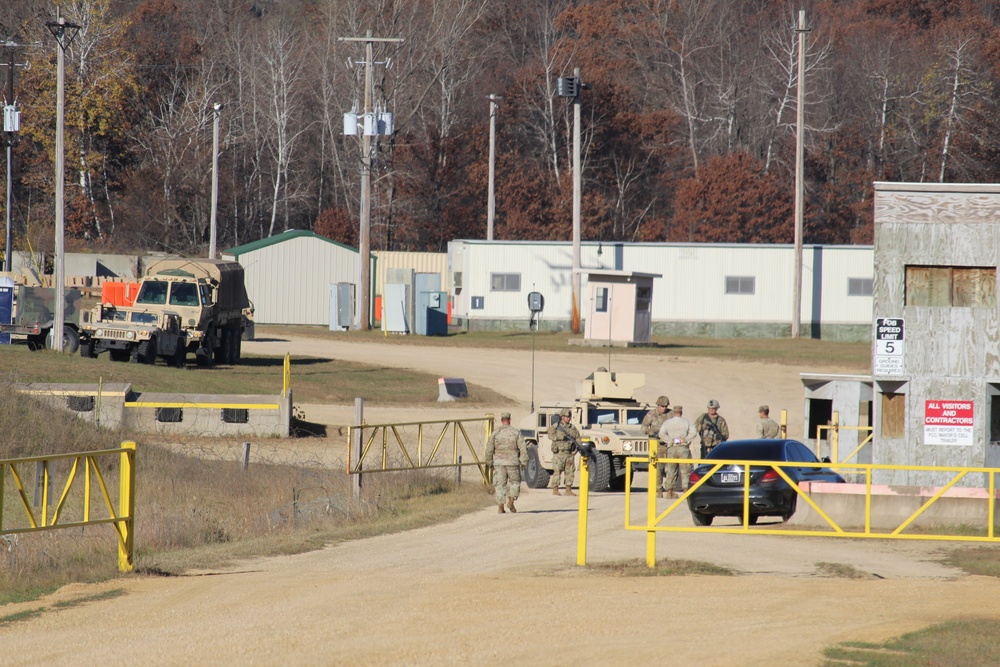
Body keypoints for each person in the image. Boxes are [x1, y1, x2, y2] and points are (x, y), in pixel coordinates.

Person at [485, 412, 528, 513]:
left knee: (500, 485)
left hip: (499, 463)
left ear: (501, 420)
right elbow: (523, 448)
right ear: (509, 420)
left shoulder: (496, 433)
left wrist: (489, 462)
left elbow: (489, 449)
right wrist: (524, 462)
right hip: (513, 463)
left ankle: (500, 507)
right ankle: (511, 501)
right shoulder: (516, 432)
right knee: (515, 482)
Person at [658, 405, 696, 498]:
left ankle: (669, 492)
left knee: (670, 470)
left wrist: (670, 440)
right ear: (681, 412)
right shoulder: (687, 421)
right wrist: (686, 439)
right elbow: (693, 432)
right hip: (683, 448)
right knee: (685, 470)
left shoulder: (667, 422)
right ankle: (686, 491)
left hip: (672, 448)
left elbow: (661, 434)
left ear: (673, 413)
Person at [641, 396, 672, 493]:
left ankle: (669, 488)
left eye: (665, 406)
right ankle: (657, 488)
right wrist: (652, 433)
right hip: (656, 444)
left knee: (670, 467)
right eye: (662, 406)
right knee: (657, 467)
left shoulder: (670, 414)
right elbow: (643, 427)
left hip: (668, 444)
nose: (664, 408)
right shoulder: (651, 414)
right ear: (658, 405)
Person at [548, 408, 580, 496]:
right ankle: (555, 489)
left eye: (569, 417)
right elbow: (550, 435)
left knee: (570, 472)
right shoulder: (556, 427)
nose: (568, 418)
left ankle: (568, 490)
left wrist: (576, 450)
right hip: (559, 453)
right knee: (557, 471)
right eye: (566, 417)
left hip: (569, 453)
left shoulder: (573, 428)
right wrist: (561, 436)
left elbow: (578, 439)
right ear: (562, 417)